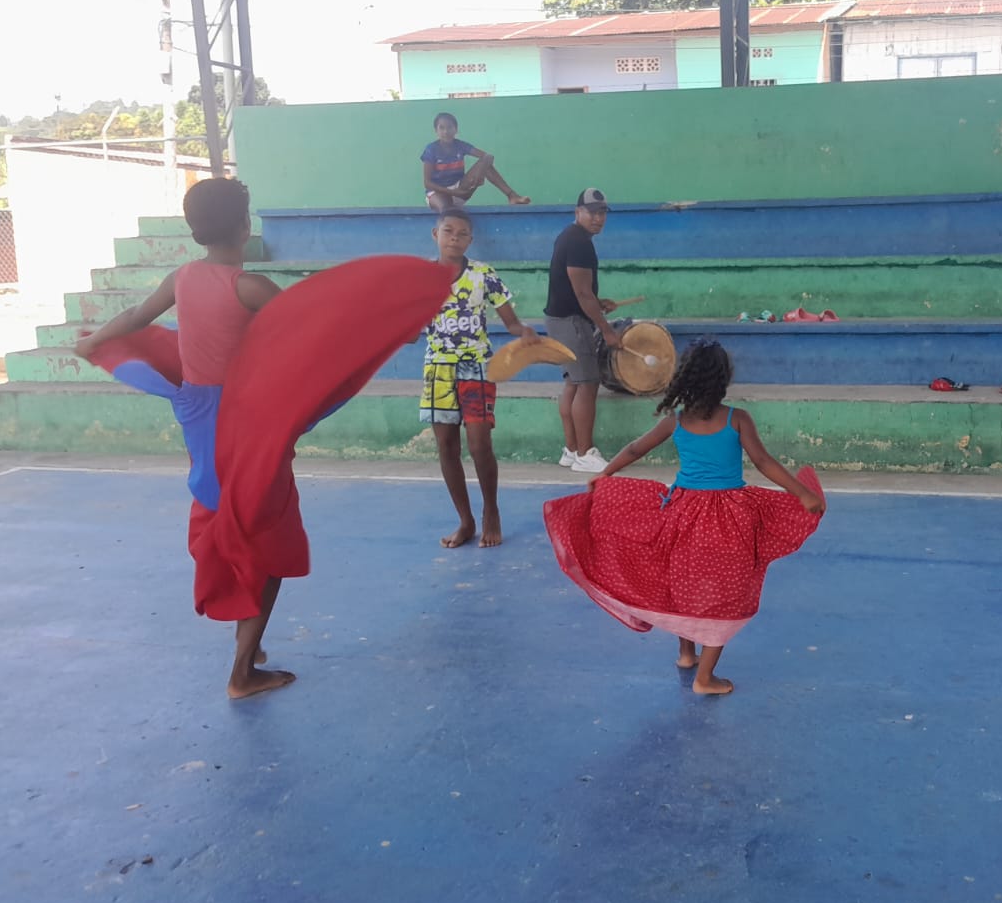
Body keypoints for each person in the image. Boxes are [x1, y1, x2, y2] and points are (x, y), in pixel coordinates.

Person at [74, 178, 453, 699]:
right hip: (246, 426)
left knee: (230, 516)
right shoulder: (248, 287)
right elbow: (319, 325)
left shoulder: (182, 277)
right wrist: (389, 329)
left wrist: (92, 342)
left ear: (195, 228)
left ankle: (248, 647)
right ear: (244, 228)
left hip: (200, 419)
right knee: (267, 538)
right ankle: (242, 671)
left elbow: (134, 317)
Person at [542, 338, 826, 696]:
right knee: (727, 595)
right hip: (728, 519)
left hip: (682, 513)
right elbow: (763, 462)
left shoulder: (675, 420)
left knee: (682, 582)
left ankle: (687, 654)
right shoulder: (737, 419)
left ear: (685, 377)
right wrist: (801, 493)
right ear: (723, 379)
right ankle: (705, 678)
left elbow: (635, 448)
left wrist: (606, 473)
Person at [421, 208, 539, 548]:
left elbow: (511, 322)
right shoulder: (422, 278)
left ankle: (491, 510)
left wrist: (524, 331)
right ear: (436, 235)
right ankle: (465, 520)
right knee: (446, 446)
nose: (454, 238)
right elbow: (411, 329)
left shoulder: (483, 274)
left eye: (462, 234)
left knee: (479, 444)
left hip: (476, 367)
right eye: (448, 231)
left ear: (470, 240)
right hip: (438, 369)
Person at [544, 188, 623, 473]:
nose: (598, 218)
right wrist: (607, 330)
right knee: (588, 384)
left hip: (558, 320)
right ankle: (584, 453)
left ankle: (570, 450)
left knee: (573, 384)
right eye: (592, 212)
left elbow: (577, 290)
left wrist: (597, 303)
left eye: (602, 213)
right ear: (578, 212)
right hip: (572, 324)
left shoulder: (571, 236)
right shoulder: (579, 243)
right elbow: (582, 293)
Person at [420, 112, 530, 210]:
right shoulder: (431, 149)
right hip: (438, 194)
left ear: (456, 130)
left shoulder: (461, 145)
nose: (446, 131)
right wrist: (453, 192)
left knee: (485, 165)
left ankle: (512, 195)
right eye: (441, 128)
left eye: (450, 127)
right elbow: (427, 183)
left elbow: (488, 157)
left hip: (460, 190)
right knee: (447, 208)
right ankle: (449, 220)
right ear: (436, 130)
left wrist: (479, 175)